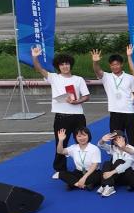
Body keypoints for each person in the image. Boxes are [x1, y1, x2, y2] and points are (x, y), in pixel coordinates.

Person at [31, 45, 90, 178]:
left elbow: (86, 96)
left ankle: (84, 167)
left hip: (78, 116)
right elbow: (39, 68)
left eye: (67, 63)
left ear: (70, 65)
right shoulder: (53, 77)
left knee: (82, 141)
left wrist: (77, 101)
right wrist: (35, 57)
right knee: (61, 142)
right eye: (62, 64)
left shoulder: (78, 79)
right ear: (58, 66)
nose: (65, 66)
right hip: (61, 117)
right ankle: (60, 169)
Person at [91, 49, 134, 145]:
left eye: (117, 64)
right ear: (110, 66)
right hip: (115, 112)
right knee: (115, 139)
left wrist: (131, 100)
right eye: (112, 65)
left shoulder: (129, 77)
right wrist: (95, 62)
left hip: (129, 112)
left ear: (121, 64)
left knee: (133, 138)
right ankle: (116, 155)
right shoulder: (106, 77)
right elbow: (97, 70)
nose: (115, 66)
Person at [55, 126, 102, 191]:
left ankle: (73, 183)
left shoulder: (94, 149)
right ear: (75, 138)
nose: (82, 138)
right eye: (79, 136)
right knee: (61, 173)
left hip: (92, 172)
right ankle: (82, 185)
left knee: (100, 176)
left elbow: (95, 165)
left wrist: (84, 178)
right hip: (79, 172)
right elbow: (60, 151)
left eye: (84, 135)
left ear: (88, 136)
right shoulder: (73, 147)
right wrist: (60, 140)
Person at [96, 131, 134, 197]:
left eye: (119, 137)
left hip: (127, 176)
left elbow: (127, 164)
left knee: (119, 161)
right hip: (115, 177)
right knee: (107, 163)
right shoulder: (113, 148)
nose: (117, 140)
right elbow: (101, 145)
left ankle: (107, 184)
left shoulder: (131, 148)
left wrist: (111, 173)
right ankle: (107, 185)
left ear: (124, 138)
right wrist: (102, 140)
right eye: (115, 139)